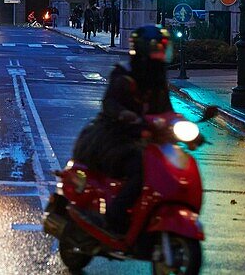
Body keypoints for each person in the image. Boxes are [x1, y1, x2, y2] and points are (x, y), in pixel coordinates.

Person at [71, 25, 175, 235]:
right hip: (114, 137)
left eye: (163, 48)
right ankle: (115, 216)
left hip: (146, 139)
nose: (160, 54)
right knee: (140, 169)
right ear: (144, 49)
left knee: (169, 168)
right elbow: (110, 103)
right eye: (157, 48)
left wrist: (190, 130)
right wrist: (124, 114)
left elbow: (167, 110)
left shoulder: (158, 80)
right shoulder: (124, 75)